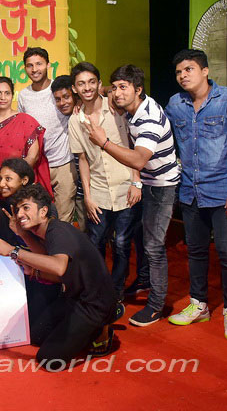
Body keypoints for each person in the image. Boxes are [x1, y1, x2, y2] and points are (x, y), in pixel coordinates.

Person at [165, 49, 227, 341]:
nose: (183, 76)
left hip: (224, 192)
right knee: (195, 251)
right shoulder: (176, 104)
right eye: (179, 72)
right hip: (191, 192)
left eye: (189, 69)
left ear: (205, 71)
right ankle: (199, 304)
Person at [83, 65, 180, 327]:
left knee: (153, 246)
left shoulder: (149, 119)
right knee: (138, 236)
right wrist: (98, 91)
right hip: (145, 182)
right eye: (114, 88)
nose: (116, 93)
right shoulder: (132, 104)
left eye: (123, 87)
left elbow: (138, 159)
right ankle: (144, 280)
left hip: (161, 185)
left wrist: (104, 142)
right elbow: (106, 90)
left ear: (138, 89)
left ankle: (156, 305)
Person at [0, 184, 120, 363]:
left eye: (26, 208)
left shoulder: (58, 230)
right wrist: (23, 236)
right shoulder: (45, 233)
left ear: (43, 211)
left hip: (94, 304)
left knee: (49, 359)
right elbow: (51, 266)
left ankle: (103, 326)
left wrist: (13, 251)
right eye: (18, 209)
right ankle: (95, 323)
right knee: (37, 335)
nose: (20, 214)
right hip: (74, 298)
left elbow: (58, 267)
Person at [68, 62, 142, 302]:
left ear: (99, 84)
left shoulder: (116, 107)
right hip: (98, 191)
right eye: (81, 84)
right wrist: (88, 197)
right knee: (96, 242)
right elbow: (82, 160)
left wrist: (136, 181)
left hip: (125, 187)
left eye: (92, 82)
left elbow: (134, 146)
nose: (87, 88)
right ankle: (100, 289)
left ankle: (117, 291)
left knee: (121, 243)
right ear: (74, 88)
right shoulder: (75, 120)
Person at [18, 47, 77, 223]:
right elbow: (24, 131)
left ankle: (63, 242)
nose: (34, 69)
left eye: (39, 64)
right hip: (37, 166)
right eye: (30, 65)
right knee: (39, 218)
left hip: (63, 163)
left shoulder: (58, 89)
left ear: (48, 65)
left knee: (64, 218)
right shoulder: (23, 95)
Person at [0, 76, 53, 197]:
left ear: (12, 95)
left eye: (7, 93)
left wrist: (13, 179)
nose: (3, 97)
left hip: (21, 186)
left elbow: (33, 156)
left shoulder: (26, 120)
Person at [51, 75, 85, 230]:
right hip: (75, 179)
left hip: (93, 184)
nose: (62, 103)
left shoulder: (85, 114)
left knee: (91, 229)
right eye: (58, 99)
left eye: (66, 97)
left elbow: (106, 91)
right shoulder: (67, 116)